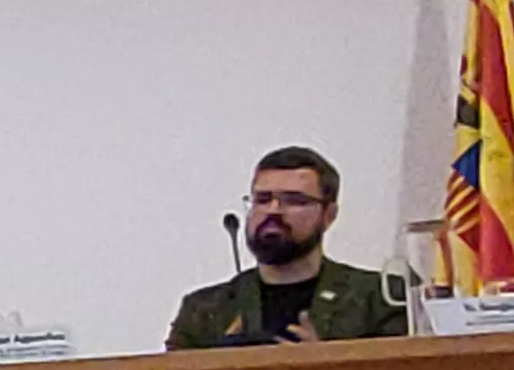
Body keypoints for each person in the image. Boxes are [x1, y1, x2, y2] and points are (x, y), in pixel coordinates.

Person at [166, 146, 412, 348]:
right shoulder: (204, 309)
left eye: (294, 201)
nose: (273, 210)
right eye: (263, 200)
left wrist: (325, 368)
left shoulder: (381, 298)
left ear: (329, 215)